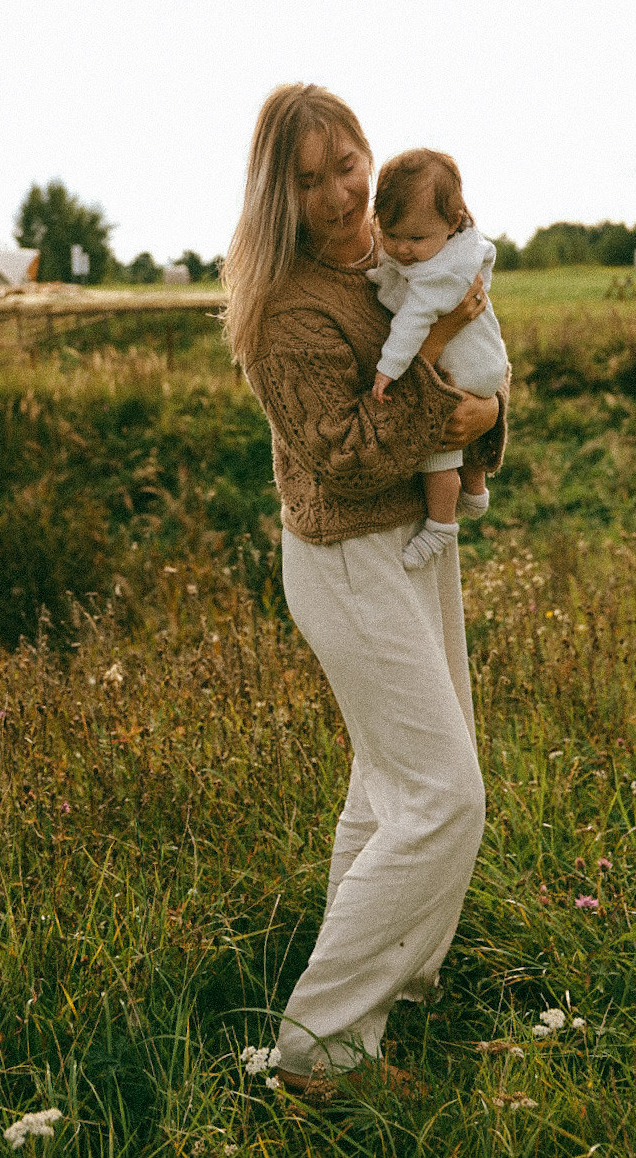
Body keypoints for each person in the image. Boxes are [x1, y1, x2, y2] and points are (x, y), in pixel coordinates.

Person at [223, 83, 509, 1098]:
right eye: (311, 179)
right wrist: (443, 384)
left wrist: (471, 397)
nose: (341, 191)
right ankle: (320, 1052)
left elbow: (470, 367)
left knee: (390, 788)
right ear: (280, 197)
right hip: (347, 560)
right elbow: (343, 458)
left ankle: (392, 993)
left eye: (347, 163)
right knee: (444, 797)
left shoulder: (389, 258)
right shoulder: (280, 314)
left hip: (410, 549)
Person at [368, 148, 509, 571]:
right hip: (488, 361)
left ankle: (441, 524)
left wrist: (387, 368)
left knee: (438, 441)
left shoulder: (441, 272)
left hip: (467, 367)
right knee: (465, 428)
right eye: (391, 235)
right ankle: (476, 489)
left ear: (451, 224)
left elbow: (411, 321)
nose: (402, 249)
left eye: (415, 239)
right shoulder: (457, 246)